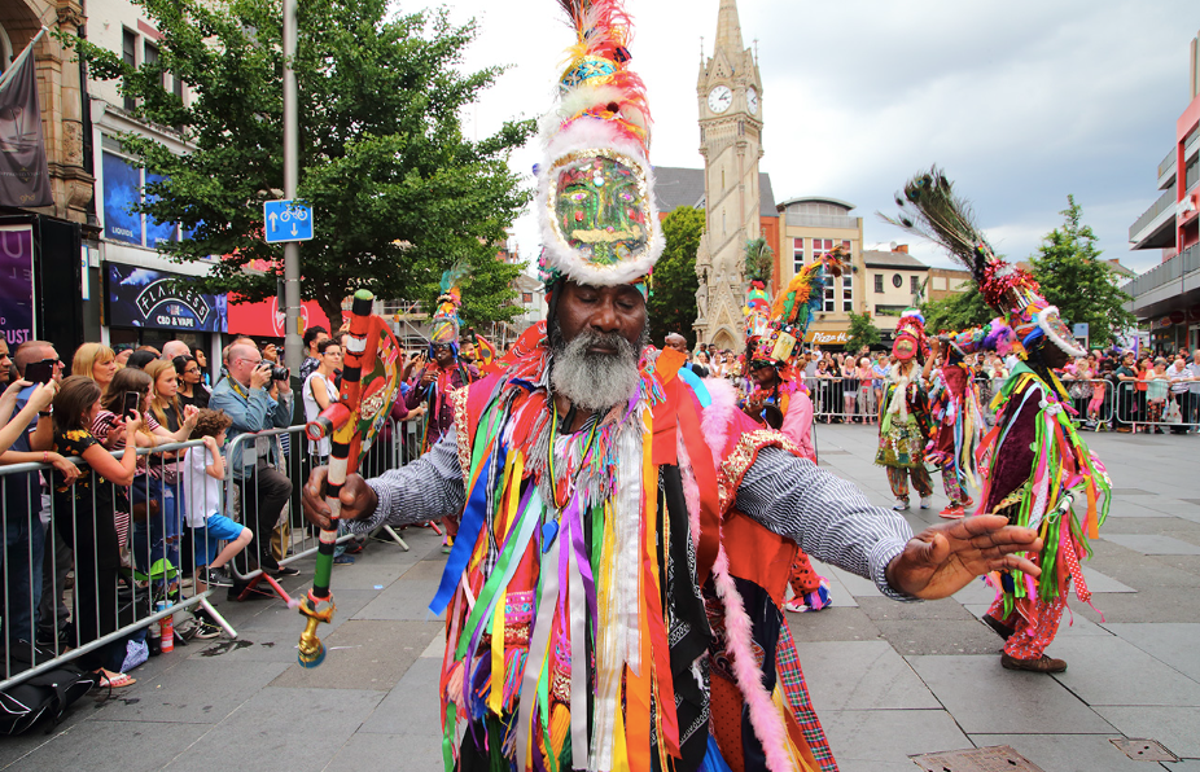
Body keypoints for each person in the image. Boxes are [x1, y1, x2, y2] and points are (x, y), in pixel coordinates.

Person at [303, 26, 1042, 769]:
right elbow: (444, 473)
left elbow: (800, 494)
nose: (606, 318)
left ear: (646, 309)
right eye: (587, 296)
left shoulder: (692, 412)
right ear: (554, 303)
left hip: (649, 721)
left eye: (626, 299)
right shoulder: (499, 402)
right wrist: (369, 496)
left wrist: (893, 556)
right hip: (507, 713)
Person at [888, 166, 1110, 674]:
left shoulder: (1039, 385)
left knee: (1027, 569)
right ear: (1041, 349)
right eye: (1057, 343)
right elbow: (1017, 453)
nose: (1067, 352)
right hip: (1034, 508)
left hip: (1033, 502)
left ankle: (1007, 618)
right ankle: (1026, 646)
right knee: (1045, 570)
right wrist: (1026, 510)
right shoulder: (1033, 390)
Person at [48, 375, 141, 688]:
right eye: (97, 403)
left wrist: (110, 438)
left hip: (83, 514)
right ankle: (94, 666)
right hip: (87, 516)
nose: (101, 408)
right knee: (97, 587)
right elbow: (124, 474)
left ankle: (79, 650)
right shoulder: (77, 436)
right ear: (84, 408)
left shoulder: (70, 434)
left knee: (92, 585)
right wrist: (130, 437)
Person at [0, 342, 73, 656]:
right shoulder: (21, 399)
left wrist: (38, 407)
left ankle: (24, 671)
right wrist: (32, 407)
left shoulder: (12, 394)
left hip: (25, 508)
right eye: (1, 356)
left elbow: (27, 439)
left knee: (25, 600)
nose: (6, 361)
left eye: (6, 355)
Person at [207, 342, 296, 582]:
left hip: (255, 462)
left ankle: (259, 556)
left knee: (268, 498)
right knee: (275, 490)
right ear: (239, 363)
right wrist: (257, 389)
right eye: (257, 363)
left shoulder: (252, 389)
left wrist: (285, 391)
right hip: (237, 467)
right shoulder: (223, 394)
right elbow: (253, 424)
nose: (263, 368)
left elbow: (284, 421)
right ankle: (254, 560)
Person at [407, 269, 479, 552]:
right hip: (436, 439)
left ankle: (468, 531)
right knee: (443, 486)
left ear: (453, 346)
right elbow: (410, 403)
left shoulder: (468, 371)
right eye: (435, 348)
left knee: (466, 486)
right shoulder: (428, 372)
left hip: (464, 438)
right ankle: (451, 533)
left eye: (444, 348)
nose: (440, 353)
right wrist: (419, 385)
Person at [924, 327, 991, 518]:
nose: (941, 351)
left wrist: (933, 352)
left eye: (944, 348)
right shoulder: (965, 369)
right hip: (962, 424)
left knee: (948, 459)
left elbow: (925, 377)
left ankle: (955, 504)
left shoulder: (949, 371)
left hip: (951, 424)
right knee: (958, 458)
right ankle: (963, 496)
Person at [184, 408, 252, 594]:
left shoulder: (200, 451)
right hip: (204, 514)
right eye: (222, 434)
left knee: (202, 560)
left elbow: (215, 470)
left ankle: (200, 604)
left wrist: (216, 457)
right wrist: (215, 449)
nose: (225, 437)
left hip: (203, 512)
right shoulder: (198, 450)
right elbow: (220, 474)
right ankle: (213, 570)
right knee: (245, 535)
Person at [877, 310, 935, 511]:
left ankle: (925, 491)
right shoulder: (890, 373)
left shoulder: (920, 372)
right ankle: (901, 495)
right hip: (892, 423)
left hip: (913, 423)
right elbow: (884, 401)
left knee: (915, 462)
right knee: (893, 463)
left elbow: (927, 396)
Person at [1144, 358, 1169, 432]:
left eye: (1163, 366)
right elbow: (1147, 379)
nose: (1162, 367)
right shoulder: (1151, 372)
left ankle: (1157, 427)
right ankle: (1147, 426)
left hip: (1162, 396)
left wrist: (1166, 378)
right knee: (1151, 412)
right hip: (1152, 396)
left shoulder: (1166, 373)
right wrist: (1156, 377)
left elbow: (1170, 383)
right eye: (1161, 365)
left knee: (1159, 412)